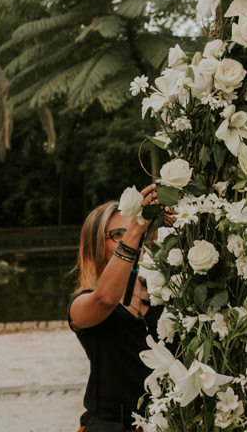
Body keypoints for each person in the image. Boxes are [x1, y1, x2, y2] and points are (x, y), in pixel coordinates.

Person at [69, 184, 164, 432]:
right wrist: (135, 232)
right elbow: (106, 300)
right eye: (117, 234)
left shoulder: (164, 294)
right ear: (96, 245)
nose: (132, 235)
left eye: (133, 230)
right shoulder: (83, 303)